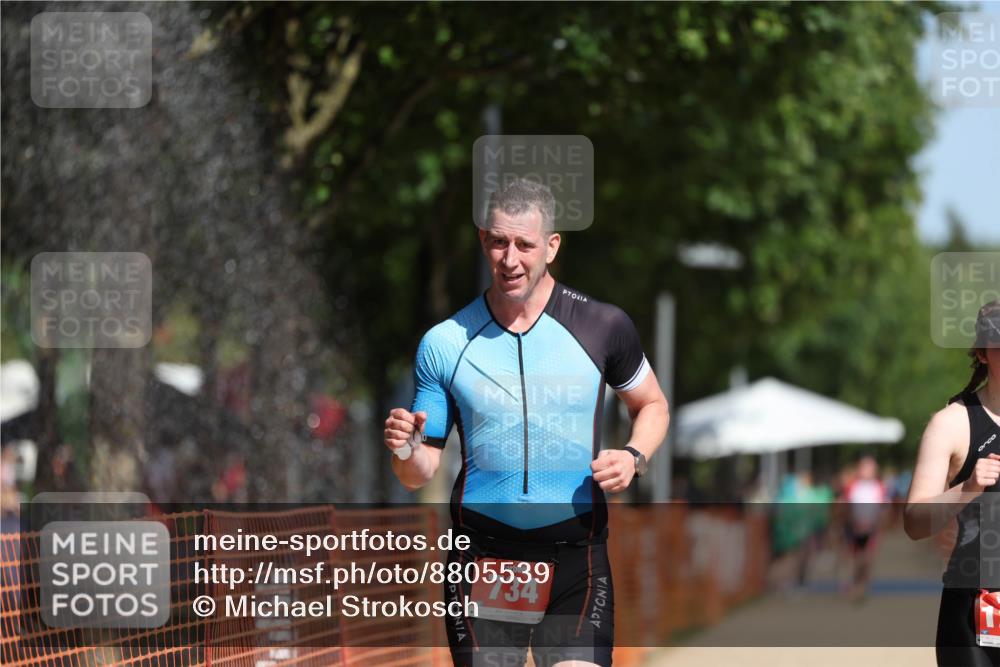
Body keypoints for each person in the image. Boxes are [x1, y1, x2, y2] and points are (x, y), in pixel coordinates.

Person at [383, 178, 669, 667]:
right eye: (498, 241)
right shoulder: (446, 343)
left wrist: (633, 456)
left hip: (575, 559)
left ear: (552, 246)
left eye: (524, 244)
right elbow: (419, 472)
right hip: (483, 562)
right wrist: (406, 448)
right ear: (482, 239)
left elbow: (652, 405)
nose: (510, 259)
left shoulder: (603, 327)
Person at [905, 300, 1000, 666]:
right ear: (982, 352)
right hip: (974, 612)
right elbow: (914, 523)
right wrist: (968, 488)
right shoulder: (952, 424)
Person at [842, 454, 887, 601]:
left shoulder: (879, 487)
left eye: (870, 467)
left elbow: (883, 509)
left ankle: (863, 585)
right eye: (864, 467)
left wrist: (878, 526)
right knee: (855, 558)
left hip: (871, 529)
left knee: (866, 558)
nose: (866, 470)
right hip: (854, 528)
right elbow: (845, 508)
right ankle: (855, 584)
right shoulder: (852, 486)